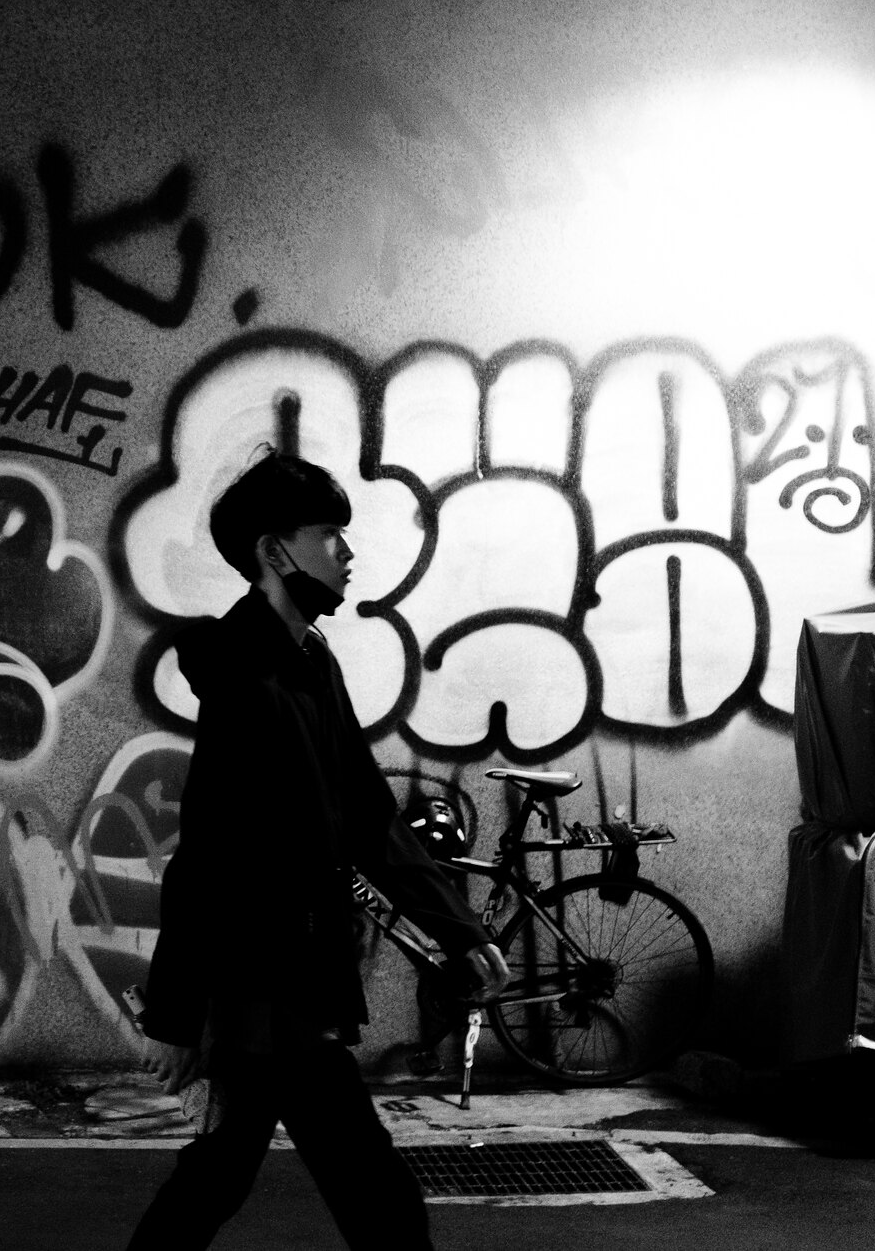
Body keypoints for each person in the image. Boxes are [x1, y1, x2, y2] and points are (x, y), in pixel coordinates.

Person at [127, 452, 509, 1251]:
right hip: (263, 987)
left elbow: (368, 812)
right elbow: (206, 854)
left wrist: (457, 927)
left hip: (293, 975)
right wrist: (175, 1012)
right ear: (274, 553)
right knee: (368, 1185)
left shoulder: (309, 662)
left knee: (227, 1169)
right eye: (329, 535)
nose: (347, 552)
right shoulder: (245, 681)